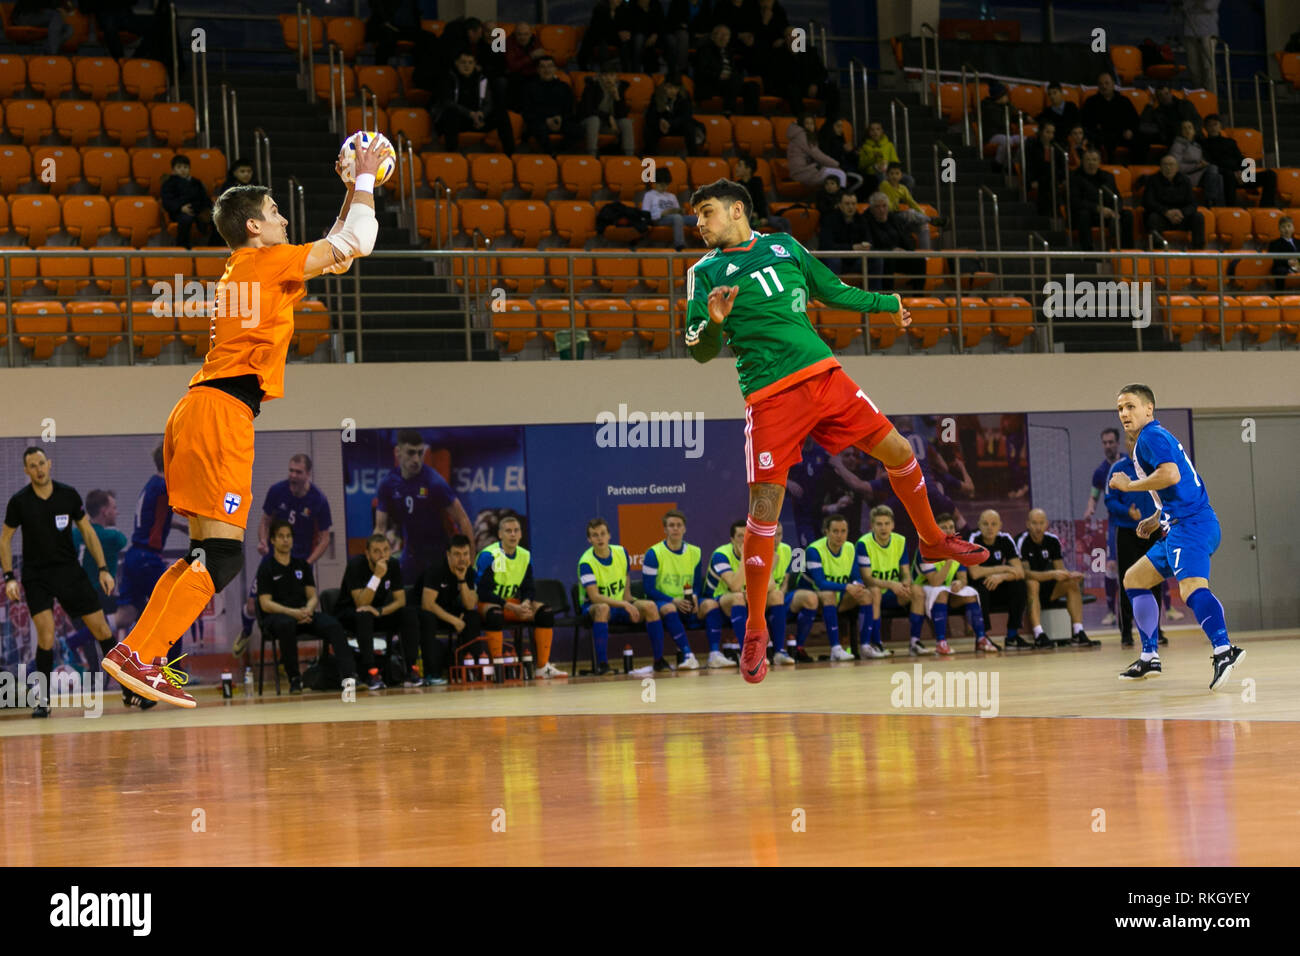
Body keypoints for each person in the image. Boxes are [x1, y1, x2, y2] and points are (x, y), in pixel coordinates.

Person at [99, 138, 384, 707]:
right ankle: (142, 655)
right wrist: (371, 176)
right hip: (222, 415)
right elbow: (360, 241)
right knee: (224, 557)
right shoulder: (265, 262)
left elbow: (338, 250)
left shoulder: (246, 265)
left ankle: (136, 652)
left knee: (201, 556)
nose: (283, 218)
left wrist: (352, 186)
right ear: (255, 225)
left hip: (198, 409)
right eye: (276, 212)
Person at [684, 178, 989, 683]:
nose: (699, 223)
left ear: (738, 209)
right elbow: (697, 348)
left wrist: (888, 303)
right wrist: (716, 323)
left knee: (897, 450)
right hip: (770, 397)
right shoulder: (703, 273)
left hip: (825, 378)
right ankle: (756, 627)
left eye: (707, 212)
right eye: (696, 215)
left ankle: (932, 539)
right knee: (764, 509)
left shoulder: (784, 245)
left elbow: (833, 291)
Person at [1109, 383, 1244, 689]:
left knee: (1191, 589)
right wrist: (1157, 516)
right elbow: (1179, 483)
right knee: (1134, 579)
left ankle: (1225, 650)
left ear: (1149, 409)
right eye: (1120, 408)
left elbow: (1171, 475)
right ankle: (1149, 657)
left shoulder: (1151, 436)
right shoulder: (1153, 436)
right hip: (1179, 525)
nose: (1124, 413)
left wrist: (1128, 485)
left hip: (1191, 526)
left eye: (1130, 406)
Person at [1, 449, 119, 717]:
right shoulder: (19, 502)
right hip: (36, 577)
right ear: (26, 471)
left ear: (49, 464)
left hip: (69, 573)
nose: (39, 469)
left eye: (41, 463)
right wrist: (9, 577)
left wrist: (103, 569)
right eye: (32, 466)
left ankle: (130, 690)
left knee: (102, 630)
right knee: (46, 634)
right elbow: (5, 539)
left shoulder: (68, 495)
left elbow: (88, 532)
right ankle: (43, 700)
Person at [232, 452, 334, 656]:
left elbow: (325, 539)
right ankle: (246, 630)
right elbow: (265, 521)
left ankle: (289, 655)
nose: (293, 476)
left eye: (298, 472)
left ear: (308, 474)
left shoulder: (318, 500)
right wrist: (263, 540)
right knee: (253, 606)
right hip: (273, 559)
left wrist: (308, 562)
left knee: (297, 609)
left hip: (300, 563)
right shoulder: (277, 491)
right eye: (291, 471)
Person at [373, 429, 474, 588]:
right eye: (411, 453)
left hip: (438, 552)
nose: (417, 459)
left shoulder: (434, 482)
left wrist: (470, 565)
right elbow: (380, 529)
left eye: (420, 453)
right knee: (397, 592)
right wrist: (375, 561)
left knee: (437, 600)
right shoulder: (388, 483)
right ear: (398, 452)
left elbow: (463, 520)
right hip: (411, 552)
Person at [256, 519, 345, 694]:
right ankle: (295, 679)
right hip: (278, 617)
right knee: (286, 624)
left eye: (288, 536)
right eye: (281, 536)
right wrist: (292, 613)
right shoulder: (266, 568)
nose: (285, 540)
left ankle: (351, 676)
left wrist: (308, 609)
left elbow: (313, 596)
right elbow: (265, 604)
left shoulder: (302, 566)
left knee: (333, 624)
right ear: (272, 540)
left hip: (303, 614)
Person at [475, 513, 566, 678]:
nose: (512, 534)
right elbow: (483, 592)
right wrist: (511, 606)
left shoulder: (525, 556)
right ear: (500, 534)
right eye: (508, 531)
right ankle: (498, 668)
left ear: (521, 534)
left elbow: (528, 587)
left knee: (545, 613)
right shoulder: (490, 555)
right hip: (487, 604)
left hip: (513, 605)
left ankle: (542, 667)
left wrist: (525, 602)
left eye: (516, 530)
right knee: (495, 614)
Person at [1105, 433, 1169, 648]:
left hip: (1152, 531)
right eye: (1130, 441)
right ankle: (1126, 632)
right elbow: (1109, 500)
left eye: (1137, 441)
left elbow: (1166, 496)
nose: (1134, 445)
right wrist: (1126, 512)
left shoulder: (1155, 468)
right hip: (1127, 532)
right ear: (1126, 444)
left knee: (1154, 580)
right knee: (1127, 580)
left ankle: (1155, 629)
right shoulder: (1118, 469)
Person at [578, 517, 662, 676]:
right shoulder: (586, 562)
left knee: (650, 606)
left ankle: (659, 661)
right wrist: (623, 605)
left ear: (609, 535)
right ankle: (602, 665)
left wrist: (630, 602)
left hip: (621, 604)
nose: (600, 538)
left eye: (603, 533)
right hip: (594, 608)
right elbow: (595, 597)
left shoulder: (621, 552)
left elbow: (626, 584)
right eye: (595, 535)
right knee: (602, 608)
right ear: (589, 539)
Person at [332, 533, 416, 691]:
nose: (382, 555)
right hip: (349, 613)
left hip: (375, 612)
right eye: (376, 551)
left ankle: (411, 669)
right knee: (364, 615)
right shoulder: (356, 565)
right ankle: (371, 673)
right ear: (367, 553)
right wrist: (377, 576)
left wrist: (380, 611)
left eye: (385, 550)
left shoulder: (393, 564)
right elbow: (361, 603)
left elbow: (400, 600)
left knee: (408, 613)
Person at [640, 509, 721, 672]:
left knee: (711, 604)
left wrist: (696, 597)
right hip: (664, 602)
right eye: (671, 525)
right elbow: (648, 589)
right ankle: (688, 656)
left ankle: (715, 655)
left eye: (678, 525)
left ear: (684, 529)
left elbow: (697, 583)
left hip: (687, 602)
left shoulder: (695, 552)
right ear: (665, 529)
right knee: (668, 608)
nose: (675, 529)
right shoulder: (653, 553)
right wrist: (673, 601)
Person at [856, 504, 934, 657]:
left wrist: (905, 583)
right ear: (871, 526)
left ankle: (914, 642)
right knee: (875, 591)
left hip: (893, 593)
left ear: (893, 525)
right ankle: (876, 643)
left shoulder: (900, 541)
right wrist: (891, 584)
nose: (883, 528)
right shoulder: (863, 543)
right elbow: (867, 578)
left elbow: (905, 572)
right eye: (879, 524)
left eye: (886, 524)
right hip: (871, 593)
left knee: (917, 590)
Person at [1017, 508, 1097, 647]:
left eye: (1041, 523)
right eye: (1034, 523)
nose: (1038, 527)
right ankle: (1038, 634)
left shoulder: (1052, 540)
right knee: (1032, 583)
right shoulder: (1022, 541)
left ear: (1046, 524)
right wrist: (1052, 574)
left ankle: (1078, 632)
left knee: (1071, 583)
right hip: (1028, 591)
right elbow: (1025, 573)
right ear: (1028, 524)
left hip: (1049, 588)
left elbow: (1060, 569)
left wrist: (1069, 574)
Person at [799, 514, 870, 660]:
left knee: (867, 594)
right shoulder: (814, 550)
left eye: (843, 531)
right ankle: (836, 649)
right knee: (828, 594)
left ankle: (866, 646)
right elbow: (820, 583)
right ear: (826, 532)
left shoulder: (850, 547)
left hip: (838, 597)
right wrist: (847, 587)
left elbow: (855, 575)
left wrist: (857, 585)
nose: (840, 535)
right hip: (811, 598)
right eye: (835, 531)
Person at [914, 513, 985, 656]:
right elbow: (935, 582)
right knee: (940, 592)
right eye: (944, 528)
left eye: (951, 527)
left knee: (970, 593)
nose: (949, 531)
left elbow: (963, 578)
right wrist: (948, 560)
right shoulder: (925, 549)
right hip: (922, 590)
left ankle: (981, 639)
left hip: (944, 590)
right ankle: (941, 642)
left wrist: (959, 582)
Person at [415, 535, 476, 686]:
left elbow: (469, 605)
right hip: (425, 612)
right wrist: (454, 620)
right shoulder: (436, 570)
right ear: (448, 555)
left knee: (472, 617)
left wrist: (462, 579)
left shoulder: (470, 572)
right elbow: (427, 604)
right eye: (457, 554)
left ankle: (470, 669)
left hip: (448, 611)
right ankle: (432, 673)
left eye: (465, 554)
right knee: (427, 617)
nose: (462, 559)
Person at [964, 509, 1028, 651]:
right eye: (985, 524)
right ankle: (982, 637)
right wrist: (1003, 569)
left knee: (1019, 584)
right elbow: (974, 573)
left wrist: (1001, 577)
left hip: (998, 586)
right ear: (979, 525)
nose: (990, 527)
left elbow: (1019, 572)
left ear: (1000, 525)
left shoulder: (1005, 539)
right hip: (980, 587)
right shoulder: (973, 539)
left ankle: (1012, 636)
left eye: (994, 524)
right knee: (981, 585)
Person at [435, 50, 514, 155]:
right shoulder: (448, 78)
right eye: (463, 62)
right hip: (458, 120)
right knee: (451, 113)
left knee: (501, 113)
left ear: (475, 64)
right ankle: (451, 154)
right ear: (456, 63)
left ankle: (510, 155)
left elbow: (488, 102)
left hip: (477, 120)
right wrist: (470, 114)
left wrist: (482, 114)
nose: (467, 66)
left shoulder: (482, 79)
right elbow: (447, 102)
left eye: (470, 62)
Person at [1083, 426, 1124, 624]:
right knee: (1111, 565)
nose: (1108, 446)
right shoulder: (1100, 472)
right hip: (1116, 523)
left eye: (1111, 442)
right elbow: (1094, 496)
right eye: (1104, 443)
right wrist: (1090, 508)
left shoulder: (1128, 463)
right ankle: (1110, 611)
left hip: (1136, 521)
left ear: (1117, 442)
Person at [706, 521, 758, 668]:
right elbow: (734, 586)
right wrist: (744, 559)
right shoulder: (721, 554)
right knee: (738, 596)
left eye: (747, 536)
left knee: (772, 596)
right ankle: (746, 654)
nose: (744, 540)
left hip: (739, 600)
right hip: (716, 598)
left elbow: (770, 584)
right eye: (740, 536)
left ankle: (775, 650)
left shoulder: (757, 553)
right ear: (732, 539)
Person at [1199, 114, 1278, 207]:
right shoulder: (1203, 144)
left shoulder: (1230, 142)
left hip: (1241, 175)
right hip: (1223, 176)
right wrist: (1233, 173)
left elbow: (1241, 159)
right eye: (1209, 125)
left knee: (1270, 175)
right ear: (1205, 128)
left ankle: (1266, 208)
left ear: (1220, 126)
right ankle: (1231, 209)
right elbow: (1210, 163)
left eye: (1215, 124)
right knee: (1228, 176)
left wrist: (1242, 172)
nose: (1213, 127)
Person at [767, 523, 816, 664]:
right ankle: (776, 649)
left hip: (779, 596)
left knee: (810, 598)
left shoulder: (788, 549)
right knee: (775, 596)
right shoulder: (756, 551)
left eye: (779, 534)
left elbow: (786, 581)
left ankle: (798, 647)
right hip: (761, 598)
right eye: (772, 535)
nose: (776, 539)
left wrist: (781, 593)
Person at [1070, 148, 1133, 251]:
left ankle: (1127, 251)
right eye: (1088, 160)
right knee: (1083, 215)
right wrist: (1098, 208)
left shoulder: (1108, 177)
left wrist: (1114, 211)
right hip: (1089, 213)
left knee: (1127, 215)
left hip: (1107, 213)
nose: (1091, 163)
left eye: (1094, 160)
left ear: (1099, 162)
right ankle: (1088, 252)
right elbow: (1076, 202)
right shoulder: (1075, 177)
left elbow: (1117, 198)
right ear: (1082, 162)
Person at [862, 191, 926, 291]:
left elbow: (904, 238)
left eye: (884, 206)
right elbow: (870, 246)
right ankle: (889, 296)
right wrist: (891, 250)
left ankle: (919, 295)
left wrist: (909, 252)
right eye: (877, 207)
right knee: (888, 261)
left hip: (898, 256)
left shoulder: (893, 218)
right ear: (871, 209)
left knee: (919, 260)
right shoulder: (865, 221)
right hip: (880, 257)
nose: (881, 210)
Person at [693, 23, 759, 115]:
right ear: (712, 37)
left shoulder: (729, 52)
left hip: (729, 84)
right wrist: (719, 75)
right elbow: (701, 71)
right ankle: (728, 111)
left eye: (726, 35)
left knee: (752, 85)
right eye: (721, 34)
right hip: (712, 84)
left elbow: (735, 71)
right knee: (732, 79)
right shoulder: (704, 51)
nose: (724, 37)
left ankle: (752, 115)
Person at [1143, 153, 1206, 248]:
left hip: (1181, 217)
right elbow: (1148, 202)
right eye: (1165, 164)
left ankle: (1198, 252)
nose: (1168, 167)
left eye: (1171, 165)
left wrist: (1182, 212)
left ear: (1177, 167)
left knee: (1198, 217)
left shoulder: (1185, 180)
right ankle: (1157, 251)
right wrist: (1166, 212)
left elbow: (1193, 204)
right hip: (1162, 216)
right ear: (1160, 167)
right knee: (1152, 218)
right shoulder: (1153, 180)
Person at [1080, 72, 1145, 162]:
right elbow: (1085, 122)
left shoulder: (1124, 101)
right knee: (1102, 141)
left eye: (1107, 83)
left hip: (1123, 134)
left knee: (1141, 140)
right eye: (1101, 84)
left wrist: (1131, 130)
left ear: (1113, 84)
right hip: (1102, 135)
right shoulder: (1091, 102)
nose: (1104, 86)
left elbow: (1135, 120)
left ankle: (1136, 168)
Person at [521, 56, 579, 155]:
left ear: (555, 69)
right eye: (543, 67)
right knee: (539, 128)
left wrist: (560, 118)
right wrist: (546, 120)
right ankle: (550, 154)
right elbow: (527, 111)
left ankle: (561, 152)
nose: (546, 70)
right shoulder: (530, 87)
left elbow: (569, 109)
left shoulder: (564, 87)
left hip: (561, 121)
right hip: (539, 121)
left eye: (549, 66)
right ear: (538, 70)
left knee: (578, 130)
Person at [878, 162, 940, 251]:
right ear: (887, 175)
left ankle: (926, 255)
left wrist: (922, 214)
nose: (894, 176)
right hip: (888, 215)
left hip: (899, 218)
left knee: (923, 224)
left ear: (901, 176)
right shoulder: (884, 185)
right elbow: (889, 207)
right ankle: (931, 219)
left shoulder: (903, 188)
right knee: (910, 213)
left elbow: (912, 203)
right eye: (891, 174)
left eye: (897, 173)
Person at [787, 113, 856, 192]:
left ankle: (837, 199)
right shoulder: (802, 136)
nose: (810, 126)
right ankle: (840, 199)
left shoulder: (801, 136)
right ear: (801, 124)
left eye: (812, 123)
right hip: (802, 172)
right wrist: (836, 164)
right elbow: (818, 155)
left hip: (806, 170)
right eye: (807, 123)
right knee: (840, 174)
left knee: (836, 174)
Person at [578, 62, 635, 156]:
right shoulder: (592, 87)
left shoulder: (619, 89)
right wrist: (608, 117)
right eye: (605, 75)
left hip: (609, 125)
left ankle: (629, 156)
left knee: (626, 122)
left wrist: (617, 98)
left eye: (612, 75)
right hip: (590, 123)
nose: (608, 78)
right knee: (594, 120)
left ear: (616, 77)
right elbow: (588, 110)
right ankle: (591, 154)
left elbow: (622, 115)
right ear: (600, 76)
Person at [643, 72, 705, 156]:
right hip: (661, 126)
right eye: (670, 87)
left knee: (689, 126)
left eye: (675, 88)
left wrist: (671, 123)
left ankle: (693, 156)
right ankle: (651, 155)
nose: (673, 90)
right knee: (649, 128)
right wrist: (661, 121)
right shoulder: (657, 96)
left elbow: (686, 116)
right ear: (665, 86)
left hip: (677, 125)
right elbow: (650, 115)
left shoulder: (684, 96)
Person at [160, 155, 214, 249]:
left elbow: (205, 198)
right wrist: (180, 208)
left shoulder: (196, 182)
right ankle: (182, 248)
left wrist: (207, 209)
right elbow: (167, 201)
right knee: (186, 220)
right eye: (179, 167)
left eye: (185, 167)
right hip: (179, 213)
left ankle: (214, 247)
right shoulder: (169, 183)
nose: (183, 170)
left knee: (217, 220)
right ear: (173, 170)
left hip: (198, 210)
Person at [1170, 118, 1224, 206]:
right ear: (1180, 131)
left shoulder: (1197, 146)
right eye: (1184, 128)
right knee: (1213, 169)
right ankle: (1211, 203)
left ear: (1194, 131)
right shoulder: (1177, 145)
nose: (1187, 130)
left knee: (1219, 177)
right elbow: (1175, 167)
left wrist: (1203, 164)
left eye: (1190, 127)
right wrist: (1197, 166)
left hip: (1198, 176)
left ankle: (1217, 207)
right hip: (1185, 177)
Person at [817, 189, 871, 277]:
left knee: (876, 259)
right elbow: (826, 246)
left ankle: (874, 290)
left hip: (855, 260)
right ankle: (834, 290)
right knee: (834, 260)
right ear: (840, 205)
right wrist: (852, 247)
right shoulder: (829, 220)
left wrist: (867, 246)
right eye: (847, 204)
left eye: (853, 204)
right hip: (835, 260)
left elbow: (869, 240)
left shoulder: (861, 220)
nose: (851, 207)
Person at [642, 167, 697, 251]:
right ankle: (680, 246)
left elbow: (678, 211)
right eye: (661, 185)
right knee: (677, 218)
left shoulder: (671, 196)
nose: (664, 187)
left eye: (666, 185)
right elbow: (645, 215)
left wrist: (681, 211)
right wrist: (663, 213)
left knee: (698, 218)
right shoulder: (649, 195)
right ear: (655, 183)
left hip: (673, 217)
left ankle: (714, 243)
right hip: (659, 219)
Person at [732, 154, 789, 233]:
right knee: (750, 225)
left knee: (784, 222)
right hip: (748, 219)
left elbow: (761, 201)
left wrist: (763, 217)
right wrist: (751, 214)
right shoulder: (737, 186)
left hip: (760, 217)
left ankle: (785, 244)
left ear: (748, 169)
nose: (736, 168)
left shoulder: (757, 182)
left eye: (740, 165)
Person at [1139, 82, 1201, 150]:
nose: (1164, 97)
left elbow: (1197, 120)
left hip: (1191, 134)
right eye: (1160, 95)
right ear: (1157, 98)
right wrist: (1150, 105)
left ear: (1171, 94)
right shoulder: (1157, 112)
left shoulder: (1185, 104)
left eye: (1166, 93)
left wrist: (1192, 132)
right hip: (1172, 138)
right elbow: (1143, 123)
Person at [577, 0, 636, 71]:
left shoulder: (624, 9)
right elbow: (598, 28)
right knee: (600, 42)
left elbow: (626, 25)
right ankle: (603, 71)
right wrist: (618, 32)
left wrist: (626, 33)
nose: (619, 1)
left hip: (615, 37)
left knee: (627, 42)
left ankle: (628, 72)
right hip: (599, 36)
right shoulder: (599, 9)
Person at [504, 21, 549, 112]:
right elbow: (512, 66)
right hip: (516, 76)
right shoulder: (509, 42)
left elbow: (541, 57)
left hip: (533, 74)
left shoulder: (535, 40)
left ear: (530, 34)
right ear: (515, 34)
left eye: (526, 34)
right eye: (520, 35)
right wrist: (531, 57)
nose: (523, 37)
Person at [1026, 121, 1067, 218]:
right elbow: (1030, 165)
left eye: (1052, 132)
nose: (1050, 135)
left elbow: (1062, 167)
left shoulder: (1057, 147)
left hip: (1054, 178)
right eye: (1047, 132)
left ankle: (1056, 214)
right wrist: (1032, 180)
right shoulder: (1033, 146)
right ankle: (1050, 215)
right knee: (1047, 186)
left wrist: (1062, 179)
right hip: (1039, 179)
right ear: (1040, 132)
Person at [855, 120, 909, 193]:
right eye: (872, 130)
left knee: (909, 180)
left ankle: (904, 199)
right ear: (868, 132)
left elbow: (895, 162)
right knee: (882, 176)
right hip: (873, 172)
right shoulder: (864, 147)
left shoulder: (889, 145)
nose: (875, 132)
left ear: (882, 131)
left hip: (889, 172)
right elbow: (861, 165)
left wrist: (888, 167)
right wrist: (873, 159)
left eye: (878, 129)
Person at [979, 80, 1020, 172]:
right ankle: (997, 164)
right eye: (1005, 95)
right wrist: (1008, 108)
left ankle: (1015, 164)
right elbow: (1001, 122)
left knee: (1024, 140)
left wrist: (1025, 117)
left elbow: (1016, 115)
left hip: (1006, 134)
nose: (1007, 97)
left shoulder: (1006, 106)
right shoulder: (988, 107)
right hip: (992, 135)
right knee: (1007, 141)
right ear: (999, 96)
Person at [665, 0, 714, 73]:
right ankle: (682, 71)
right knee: (683, 36)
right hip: (681, 34)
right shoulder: (677, 2)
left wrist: (701, 33)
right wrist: (693, 34)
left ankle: (709, 71)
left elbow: (708, 24)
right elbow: (673, 23)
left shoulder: (705, 3)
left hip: (700, 36)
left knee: (715, 36)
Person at [1182, 0, 1219, 91]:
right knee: (1193, 68)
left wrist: (1194, 4)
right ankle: (1198, 95)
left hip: (1208, 33)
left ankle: (1211, 96)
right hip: (1190, 32)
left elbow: (1208, 6)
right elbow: (1184, 6)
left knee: (1208, 67)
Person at [627, 0, 667, 73]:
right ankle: (636, 72)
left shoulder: (656, 4)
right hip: (636, 36)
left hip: (655, 37)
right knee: (639, 39)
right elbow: (632, 26)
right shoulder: (632, 5)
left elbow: (661, 23)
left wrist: (655, 34)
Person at [1268, 216, 1300, 291]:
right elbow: (1274, 259)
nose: (1286, 229)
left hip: (1298, 265)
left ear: (1293, 228)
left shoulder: (1298, 242)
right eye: (1283, 227)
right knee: (1279, 270)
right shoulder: (1274, 243)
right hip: (1284, 267)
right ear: (1279, 230)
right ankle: (1280, 294)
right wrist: (1287, 262)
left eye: (1289, 226)